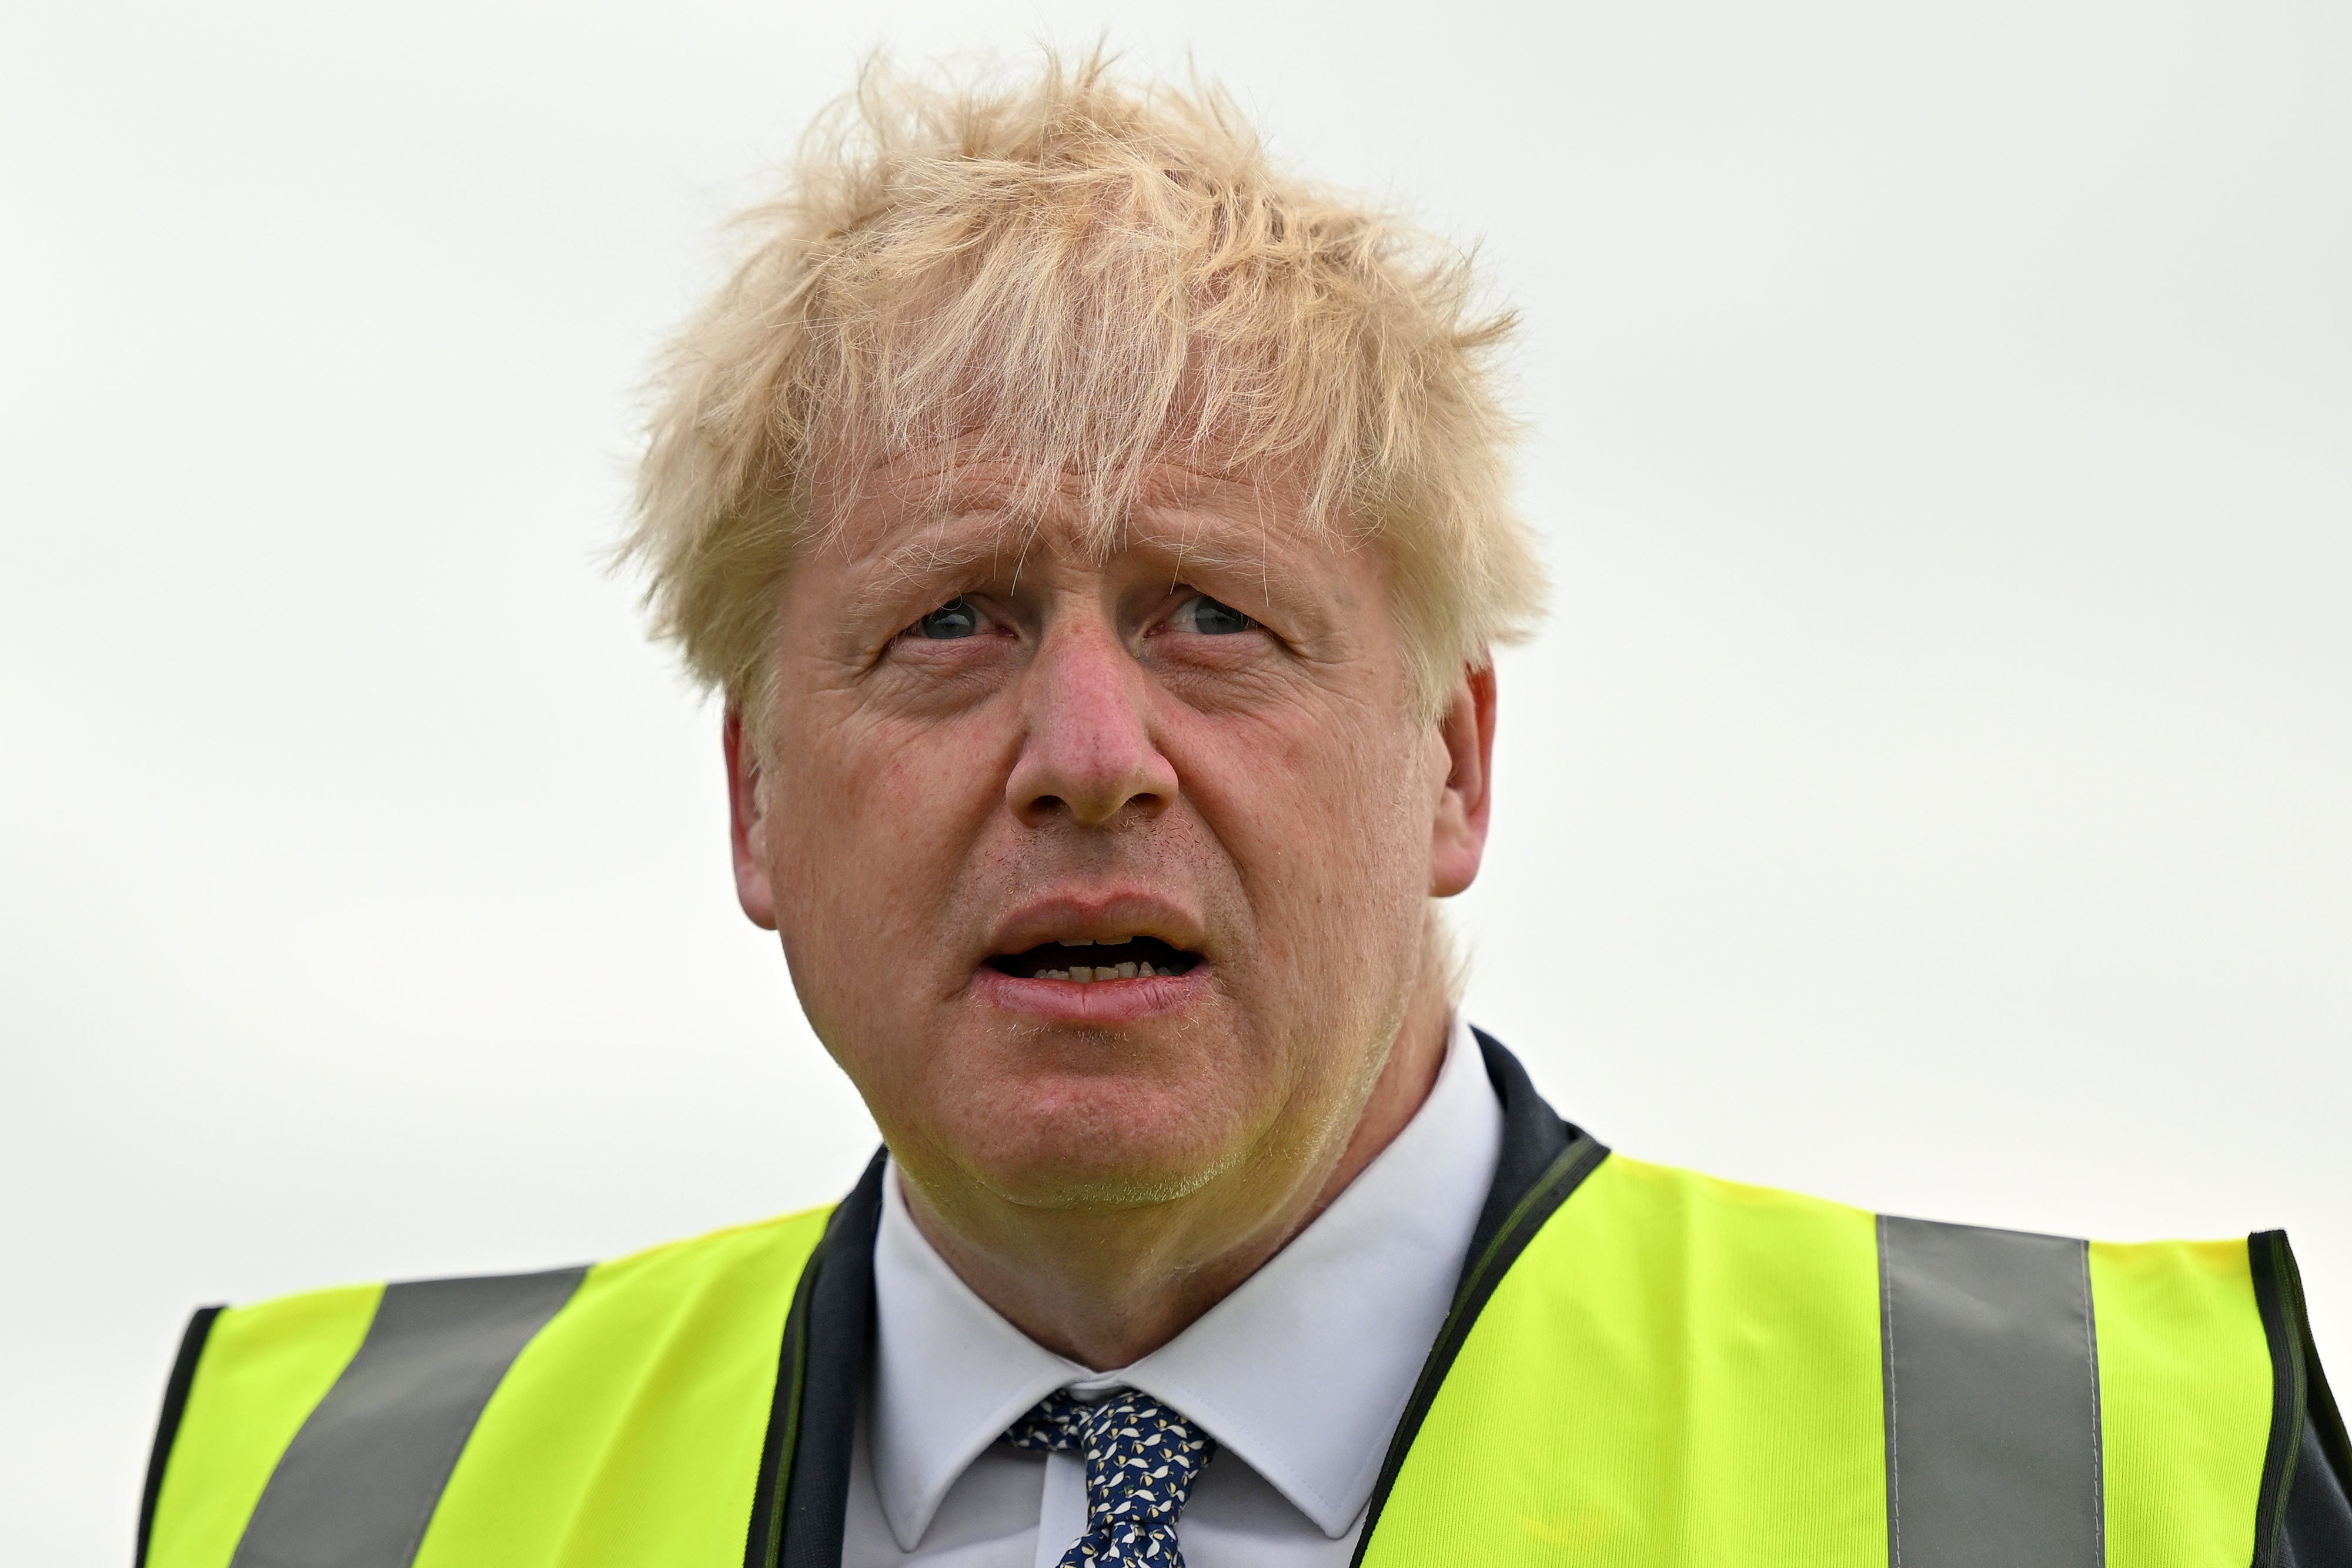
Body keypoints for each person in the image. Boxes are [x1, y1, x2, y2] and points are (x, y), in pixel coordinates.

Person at [136, 56, 2346, 1568]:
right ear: (754, 802)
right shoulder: (331, 1502)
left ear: (1454, 763)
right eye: (952, 621)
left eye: (1212, 616)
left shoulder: (2094, 1479)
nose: (1089, 748)